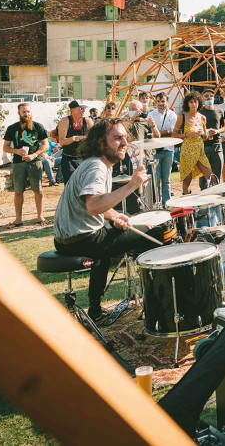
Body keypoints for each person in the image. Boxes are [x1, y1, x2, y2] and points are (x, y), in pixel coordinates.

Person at [53, 118, 162, 322]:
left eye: (125, 137)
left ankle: (95, 309)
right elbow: (94, 206)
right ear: (101, 143)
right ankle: (157, 305)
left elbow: (93, 205)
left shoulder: (97, 163)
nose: (124, 143)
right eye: (117, 138)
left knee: (109, 244)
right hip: (82, 239)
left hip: (68, 239)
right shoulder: (96, 167)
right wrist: (132, 185)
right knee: (156, 233)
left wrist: (115, 215)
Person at [2, 103, 49, 227]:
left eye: (28, 111)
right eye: (23, 112)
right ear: (19, 113)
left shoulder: (38, 127)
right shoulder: (12, 128)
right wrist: (16, 151)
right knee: (18, 192)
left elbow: (46, 145)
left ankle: (40, 217)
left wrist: (34, 155)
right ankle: (18, 219)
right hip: (18, 163)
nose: (26, 114)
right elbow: (5, 147)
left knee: (38, 190)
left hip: (35, 162)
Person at [175, 91, 214, 193]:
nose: (194, 104)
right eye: (191, 102)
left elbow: (205, 138)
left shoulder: (202, 117)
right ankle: (187, 200)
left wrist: (203, 133)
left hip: (200, 152)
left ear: (199, 102)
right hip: (187, 152)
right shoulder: (182, 117)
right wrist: (188, 134)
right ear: (187, 104)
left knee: (211, 177)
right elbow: (173, 135)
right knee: (187, 180)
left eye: (195, 101)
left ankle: (213, 199)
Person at [147, 92, 178, 207]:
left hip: (168, 149)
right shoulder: (151, 114)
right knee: (155, 179)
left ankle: (167, 202)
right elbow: (149, 133)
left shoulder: (172, 115)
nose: (160, 104)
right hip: (155, 150)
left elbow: (173, 132)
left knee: (166, 179)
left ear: (167, 102)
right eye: (158, 101)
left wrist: (158, 133)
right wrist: (165, 132)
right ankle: (157, 203)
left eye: (163, 101)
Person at [57, 101, 93, 184]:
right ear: (72, 110)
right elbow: (61, 142)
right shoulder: (65, 121)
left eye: (84, 108)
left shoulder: (88, 121)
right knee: (71, 184)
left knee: (84, 184)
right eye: (81, 108)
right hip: (69, 159)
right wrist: (73, 138)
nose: (83, 111)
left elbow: (93, 138)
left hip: (84, 158)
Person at [199, 89, 224, 188]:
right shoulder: (199, 112)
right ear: (202, 98)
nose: (209, 97)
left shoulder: (219, 111)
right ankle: (204, 193)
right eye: (206, 96)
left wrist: (217, 131)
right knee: (203, 175)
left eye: (211, 96)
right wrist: (204, 132)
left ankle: (216, 193)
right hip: (203, 146)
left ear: (214, 98)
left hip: (217, 145)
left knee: (217, 174)